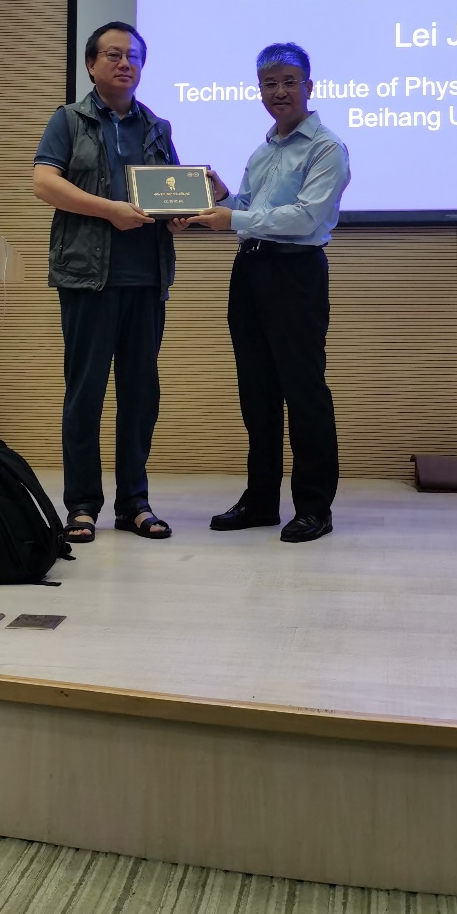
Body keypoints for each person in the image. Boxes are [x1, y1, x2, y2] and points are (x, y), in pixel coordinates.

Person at [178, 42, 351, 543]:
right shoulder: (263, 151)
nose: (279, 92)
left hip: (295, 273)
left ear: (308, 87)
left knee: (303, 390)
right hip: (250, 272)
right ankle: (260, 501)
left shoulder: (327, 148)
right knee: (256, 392)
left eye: (289, 82)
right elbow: (250, 207)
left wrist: (233, 217)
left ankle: (314, 507)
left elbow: (305, 217)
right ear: (259, 91)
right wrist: (219, 197)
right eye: (269, 84)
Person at [32, 22, 177, 543]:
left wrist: (182, 213)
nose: (124, 63)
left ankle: (134, 503)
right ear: (91, 65)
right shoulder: (69, 120)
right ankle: (82, 505)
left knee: (140, 396)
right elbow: (44, 182)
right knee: (85, 394)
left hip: (146, 279)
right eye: (113, 55)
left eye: (133, 56)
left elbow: (173, 193)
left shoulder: (157, 126)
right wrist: (110, 210)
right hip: (87, 278)